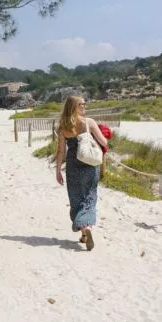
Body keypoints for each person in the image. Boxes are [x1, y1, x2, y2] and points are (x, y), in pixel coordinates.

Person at [55, 95, 108, 251]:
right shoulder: (88, 122)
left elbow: (60, 151)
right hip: (89, 165)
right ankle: (87, 227)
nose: (85, 106)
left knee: (76, 199)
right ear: (75, 107)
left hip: (73, 166)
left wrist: (58, 171)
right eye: (82, 104)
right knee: (89, 196)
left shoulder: (63, 126)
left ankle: (84, 233)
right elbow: (104, 142)